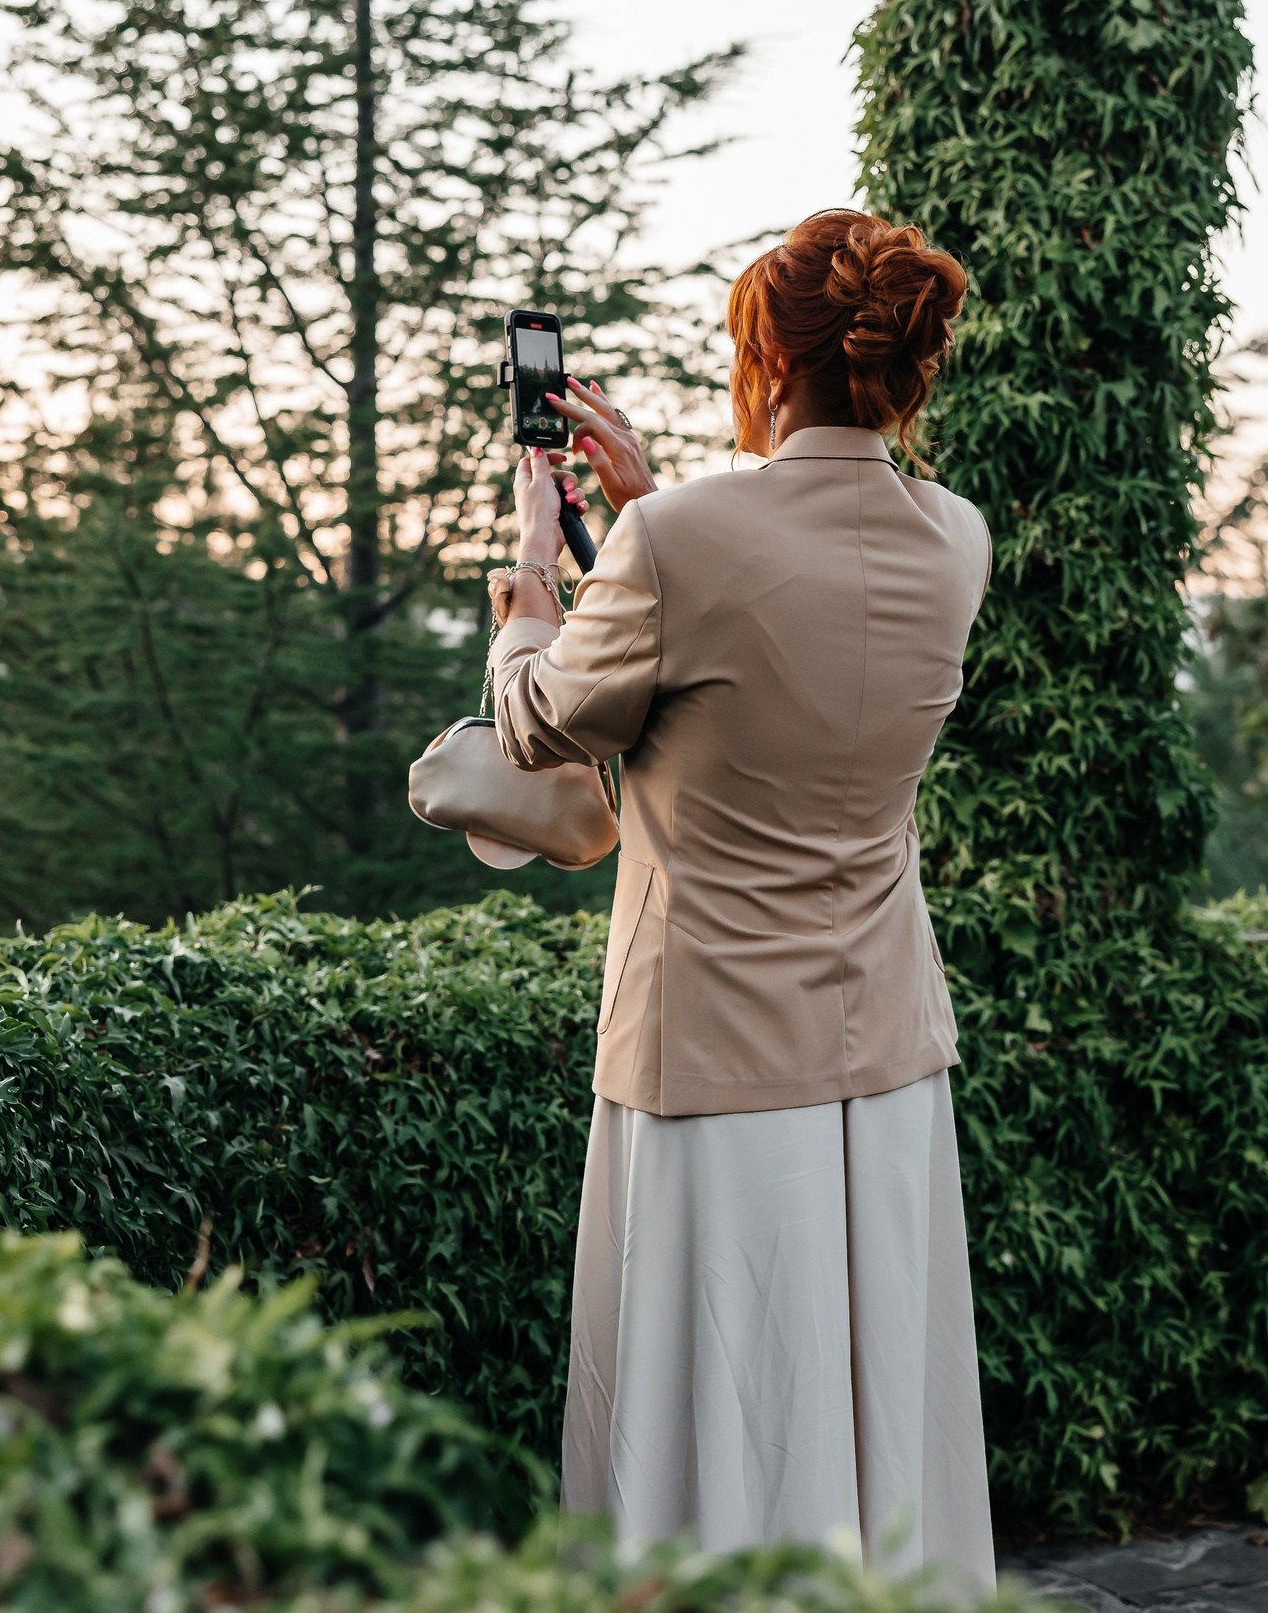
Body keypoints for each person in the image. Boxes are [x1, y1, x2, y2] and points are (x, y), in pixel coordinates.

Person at [483, 209, 996, 1588]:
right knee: (866, 1395)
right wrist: (652, 510)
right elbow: (768, 627)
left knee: (719, 1411)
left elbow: (540, 723)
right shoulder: (956, 538)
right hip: (882, 1049)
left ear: (763, 357)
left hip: (708, 1050)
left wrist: (537, 561)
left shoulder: (681, 543)